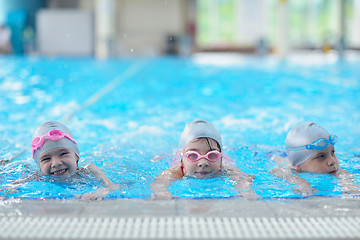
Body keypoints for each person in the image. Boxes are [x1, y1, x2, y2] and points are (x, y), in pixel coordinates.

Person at [4, 121, 119, 200]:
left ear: (77, 156)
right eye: (46, 158)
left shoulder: (89, 170)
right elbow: (9, 187)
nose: (56, 163)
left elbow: (113, 187)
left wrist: (98, 194)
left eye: (63, 153)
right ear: (38, 165)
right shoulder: (36, 176)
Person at [151, 119, 257, 200]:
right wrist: (161, 192)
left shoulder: (226, 168)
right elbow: (161, 182)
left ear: (220, 158)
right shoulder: (176, 171)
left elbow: (243, 179)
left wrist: (246, 190)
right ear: (182, 158)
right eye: (193, 155)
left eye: (211, 155)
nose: (203, 163)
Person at [271, 122, 360, 197]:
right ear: (299, 165)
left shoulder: (335, 168)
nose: (332, 161)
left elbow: (342, 173)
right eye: (321, 156)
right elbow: (276, 171)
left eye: (332, 152)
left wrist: (348, 183)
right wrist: (296, 181)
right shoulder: (290, 165)